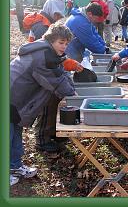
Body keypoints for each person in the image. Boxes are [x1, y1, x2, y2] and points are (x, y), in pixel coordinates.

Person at [10, 22, 83, 186]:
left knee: (16, 132)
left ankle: (14, 166)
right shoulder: (42, 57)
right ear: (51, 40)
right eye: (60, 43)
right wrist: (73, 96)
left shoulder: (52, 55)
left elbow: (62, 74)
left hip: (19, 97)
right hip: (10, 94)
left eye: (66, 43)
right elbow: (55, 81)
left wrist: (73, 90)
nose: (64, 47)